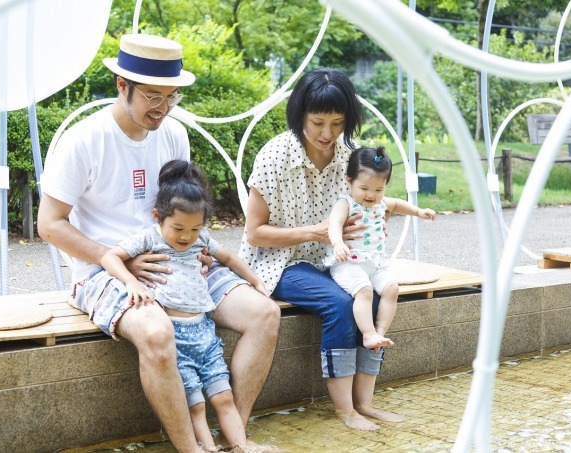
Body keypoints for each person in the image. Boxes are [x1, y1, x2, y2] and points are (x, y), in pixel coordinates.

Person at [37, 33, 280, 453]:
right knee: (155, 330)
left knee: (264, 313)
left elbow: (181, 210)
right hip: (103, 270)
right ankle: (191, 449)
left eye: (172, 97)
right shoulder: (84, 140)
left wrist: (195, 247)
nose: (163, 108)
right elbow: (50, 224)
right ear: (121, 85)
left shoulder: (173, 135)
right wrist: (121, 263)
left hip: (179, 261)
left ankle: (233, 438)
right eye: (153, 96)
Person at [239, 67, 405, 432]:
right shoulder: (274, 156)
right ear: (300, 115)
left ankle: (365, 403)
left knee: (377, 299)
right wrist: (315, 232)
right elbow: (254, 234)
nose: (327, 134)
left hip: (334, 261)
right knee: (342, 305)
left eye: (337, 123)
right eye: (317, 123)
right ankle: (344, 410)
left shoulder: (349, 156)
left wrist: (375, 218)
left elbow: (368, 199)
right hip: (281, 262)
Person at [101, 160, 268, 451]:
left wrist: (255, 281)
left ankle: (241, 445)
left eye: (194, 228)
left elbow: (228, 257)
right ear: (158, 216)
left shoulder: (199, 238)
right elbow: (109, 257)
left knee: (224, 397)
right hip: (175, 337)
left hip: (204, 332)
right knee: (197, 407)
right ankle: (207, 449)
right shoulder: (149, 238)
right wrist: (131, 281)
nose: (186, 237)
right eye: (178, 227)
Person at [324, 145, 437, 353]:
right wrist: (338, 243)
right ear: (349, 181)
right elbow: (334, 224)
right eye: (364, 189)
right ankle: (368, 334)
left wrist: (419, 211)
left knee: (392, 288)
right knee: (364, 290)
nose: (371, 195)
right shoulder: (345, 202)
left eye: (378, 190)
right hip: (348, 264)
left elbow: (397, 204)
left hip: (375, 265)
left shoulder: (381, 203)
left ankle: (380, 332)